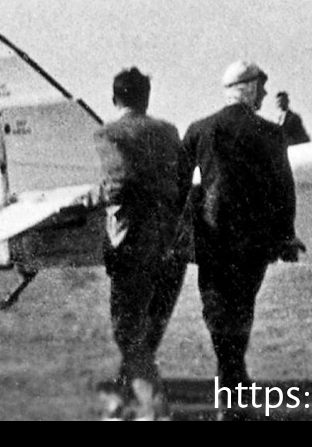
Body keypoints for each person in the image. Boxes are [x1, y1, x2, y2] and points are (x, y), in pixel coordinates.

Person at [184, 60, 305, 408]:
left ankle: (232, 388)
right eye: (262, 87)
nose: (266, 94)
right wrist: (286, 236)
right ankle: (235, 389)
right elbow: (284, 189)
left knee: (218, 314)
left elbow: (177, 183)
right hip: (253, 244)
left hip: (212, 240)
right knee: (241, 312)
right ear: (249, 87)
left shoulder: (200, 129)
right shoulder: (270, 133)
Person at [91, 67, 191, 421]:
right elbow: (180, 182)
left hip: (134, 246)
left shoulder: (109, 133)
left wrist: (88, 197)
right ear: (146, 97)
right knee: (147, 337)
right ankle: (121, 406)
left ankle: (154, 412)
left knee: (128, 334)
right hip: (174, 246)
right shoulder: (168, 131)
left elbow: (117, 186)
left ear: (115, 98)